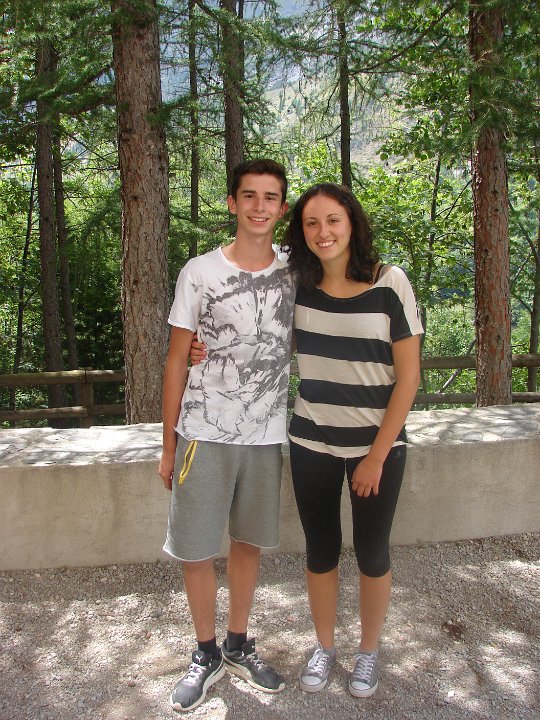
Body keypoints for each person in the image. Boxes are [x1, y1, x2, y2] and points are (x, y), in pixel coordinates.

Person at [158, 158, 296, 712]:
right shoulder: (199, 272)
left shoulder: (295, 271)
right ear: (232, 203)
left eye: (270, 197)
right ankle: (205, 652)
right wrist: (168, 442)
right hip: (203, 431)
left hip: (265, 435)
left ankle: (238, 644)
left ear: (282, 208)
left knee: (248, 543)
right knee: (195, 548)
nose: (260, 207)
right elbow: (176, 359)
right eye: (250, 196)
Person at [283, 183, 423, 698]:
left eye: (333, 220)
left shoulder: (390, 282)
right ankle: (324, 645)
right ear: (302, 231)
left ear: (352, 223)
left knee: (371, 551)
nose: (323, 232)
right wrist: (201, 349)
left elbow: (409, 377)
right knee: (320, 549)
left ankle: (368, 652)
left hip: (376, 448)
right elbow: (258, 340)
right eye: (312, 223)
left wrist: (376, 457)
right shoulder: (297, 285)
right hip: (310, 441)